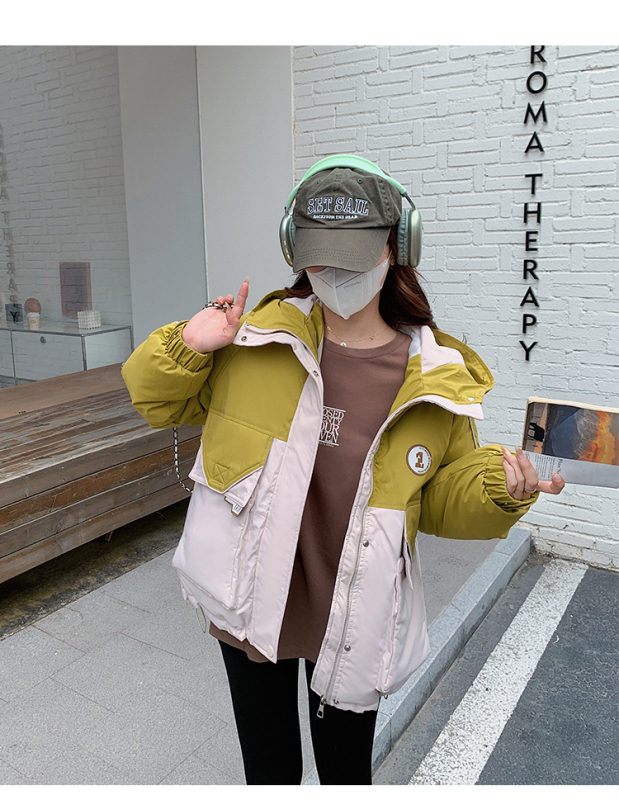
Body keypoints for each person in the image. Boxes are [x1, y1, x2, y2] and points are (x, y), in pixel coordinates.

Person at [121, 155, 564, 785]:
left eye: (353, 257)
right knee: (268, 772)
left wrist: (500, 489)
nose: (334, 274)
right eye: (319, 258)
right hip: (250, 603)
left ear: (395, 248)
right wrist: (187, 346)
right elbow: (153, 401)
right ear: (294, 251)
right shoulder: (254, 342)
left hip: (356, 614)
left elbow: (439, 501)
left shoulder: (435, 379)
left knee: (346, 774)